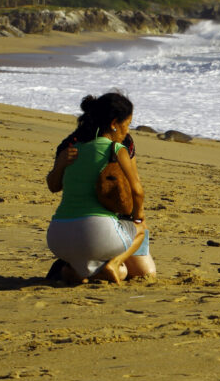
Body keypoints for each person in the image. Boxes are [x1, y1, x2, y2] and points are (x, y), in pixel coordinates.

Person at [45, 92, 156, 284]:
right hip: (100, 230)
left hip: (57, 236)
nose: (128, 130)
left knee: (142, 272)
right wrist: (139, 215)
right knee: (140, 229)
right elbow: (137, 189)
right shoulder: (106, 147)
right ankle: (109, 262)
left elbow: (52, 186)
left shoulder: (77, 146)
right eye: (128, 123)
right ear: (114, 122)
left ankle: (76, 269)